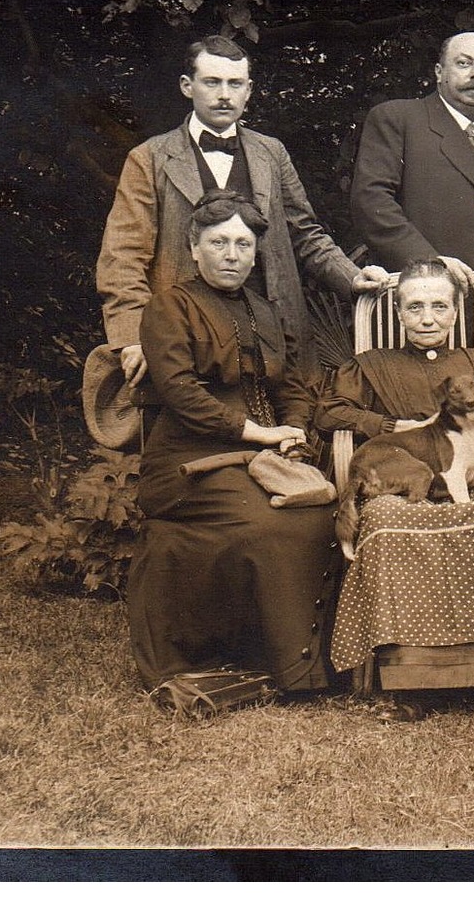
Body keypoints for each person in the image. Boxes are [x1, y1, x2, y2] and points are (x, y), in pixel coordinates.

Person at [127, 190, 339, 701]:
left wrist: (291, 433)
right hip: (188, 462)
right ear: (193, 248)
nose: (231, 254)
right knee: (268, 524)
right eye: (218, 242)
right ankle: (279, 667)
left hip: (262, 456)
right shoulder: (170, 307)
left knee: (315, 515)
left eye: (243, 244)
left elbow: (290, 385)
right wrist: (258, 434)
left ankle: (302, 666)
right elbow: (180, 394)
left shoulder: (264, 311)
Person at [315, 258, 474, 714]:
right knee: (386, 519)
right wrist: (383, 422)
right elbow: (327, 412)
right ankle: (412, 683)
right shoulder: (371, 366)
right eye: (414, 307)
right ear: (399, 314)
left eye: (439, 306)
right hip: (407, 488)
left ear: (456, 312)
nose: (427, 318)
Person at [98, 34, 387, 386]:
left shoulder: (271, 152)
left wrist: (351, 276)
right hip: (186, 334)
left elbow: (305, 234)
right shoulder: (150, 158)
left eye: (235, 83)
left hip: (277, 330)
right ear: (187, 86)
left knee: (291, 432)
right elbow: (122, 257)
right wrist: (133, 336)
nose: (224, 95)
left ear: (248, 90)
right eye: (212, 82)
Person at [350, 31, 474, 280]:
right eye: (464, 63)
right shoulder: (397, 120)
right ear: (439, 72)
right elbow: (371, 204)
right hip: (424, 301)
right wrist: (429, 264)